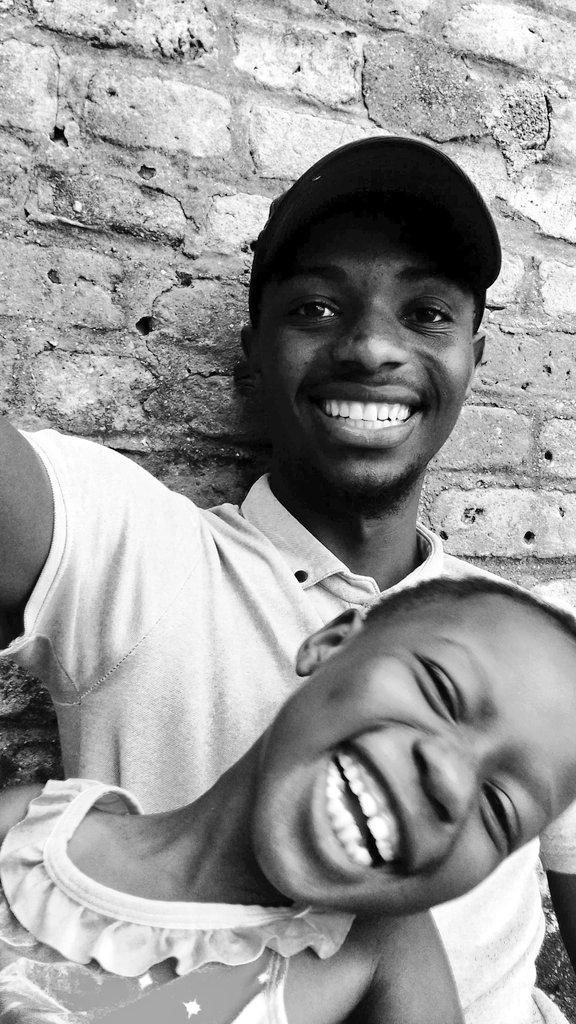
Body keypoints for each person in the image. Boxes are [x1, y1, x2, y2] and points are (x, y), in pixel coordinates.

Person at [0, 136, 573, 1023]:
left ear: (474, 358)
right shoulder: (143, 553)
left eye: (427, 314)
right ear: (254, 351)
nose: (372, 346)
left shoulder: (542, 665)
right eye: (315, 307)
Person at [2, 576, 576, 1024]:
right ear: (330, 646)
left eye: (499, 808)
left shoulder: (377, 954)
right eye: (441, 690)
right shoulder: (32, 835)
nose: (450, 780)